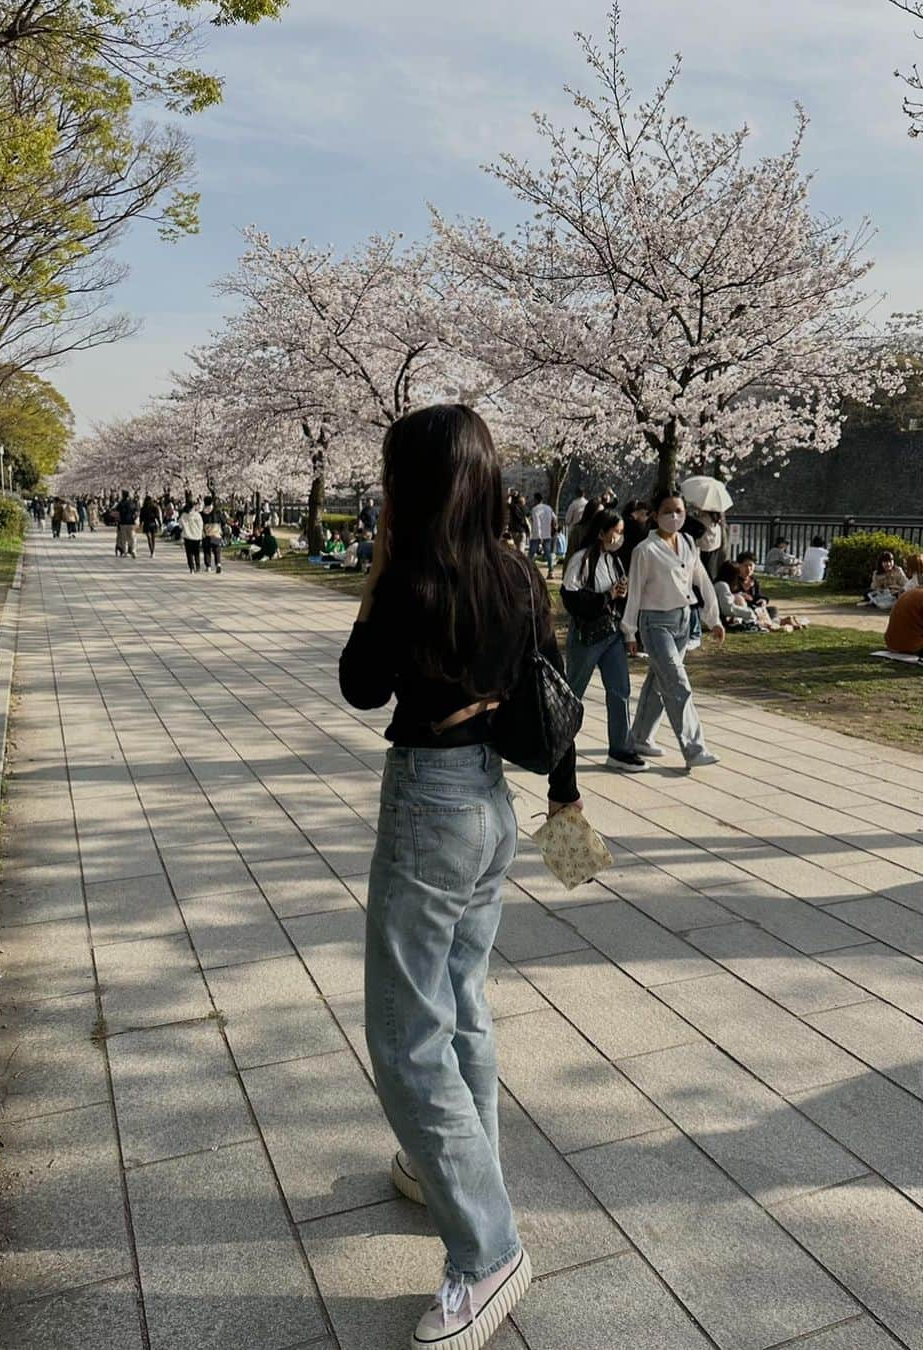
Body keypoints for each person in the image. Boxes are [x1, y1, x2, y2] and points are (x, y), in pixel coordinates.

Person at [339, 404, 577, 1349]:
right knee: (461, 998)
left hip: (431, 800)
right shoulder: (520, 573)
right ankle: (442, 1166)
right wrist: (566, 802)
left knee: (404, 1033)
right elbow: (556, 694)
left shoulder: (410, 578)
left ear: (413, 482)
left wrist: (378, 574)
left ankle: (487, 1251)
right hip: (493, 806)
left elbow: (361, 687)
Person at [622, 488, 726, 768]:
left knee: (659, 682)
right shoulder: (645, 550)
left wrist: (712, 618)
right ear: (655, 516)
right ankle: (695, 748)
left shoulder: (689, 543)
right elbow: (634, 591)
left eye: (679, 511)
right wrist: (629, 631)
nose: (675, 516)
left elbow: (701, 580)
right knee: (677, 684)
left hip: (683, 620)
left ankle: (640, 737)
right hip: (655, 624)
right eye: (668, 511)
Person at [561, 508, 647, 771]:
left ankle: (621, 749)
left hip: (612, 633)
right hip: (587, 634)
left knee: (620, 690)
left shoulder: (615, 560)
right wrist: (607, 596)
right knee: (573, 691)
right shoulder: (582, 559)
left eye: (622, 533)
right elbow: (571, 598)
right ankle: (559, 743)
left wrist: (619, 595)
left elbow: (620, 597)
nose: (619, 537)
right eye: (616, 532)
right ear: (601, 532)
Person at [528, 492, 558, 578]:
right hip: (547, 533)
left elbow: (537, 523)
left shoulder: (535, 509)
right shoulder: (548, 508)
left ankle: (529, 570)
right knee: (548, 553)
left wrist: (539, 535)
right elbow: (554, 518)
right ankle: (551, 571)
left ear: (536, 499)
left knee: (532, 553)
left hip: (537, 535)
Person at [690, 508, 725, 581]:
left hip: (704, 548)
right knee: (711, 572)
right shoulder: (718, 517)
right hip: (715, 546)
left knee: (703, 573)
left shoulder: (703, 518)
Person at [618, 499, 651, 574]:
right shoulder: (634, 525)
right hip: (625, 558)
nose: (646, 518)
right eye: (646, 514)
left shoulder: (627, 521)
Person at [200, 495, 226, 573]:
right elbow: (224, 521)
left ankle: (208, 566)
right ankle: (218, 564)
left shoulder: (202, 513)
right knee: (216, 550)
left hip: (206, 533)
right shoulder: (217, 512)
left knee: (207, 550)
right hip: (216, 533)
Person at [179, 496, 204, 574]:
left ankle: (191, 568)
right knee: (196, 552)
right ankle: (198, 566)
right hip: (197, 536)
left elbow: (180, 525)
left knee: (189, 553)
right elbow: (201, 525)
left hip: (187, 536)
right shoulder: (197, 515)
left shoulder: (183, 515)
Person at [115, 490, 138, 558]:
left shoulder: (120, 503)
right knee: (132, 538)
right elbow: (136, 513)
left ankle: (125, 552)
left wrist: (118, 520)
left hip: (122, 523)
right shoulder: (132, 503)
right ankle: (133, 550)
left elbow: (117, 513)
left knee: (123, 538)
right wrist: (134, 519)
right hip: (131, 523)